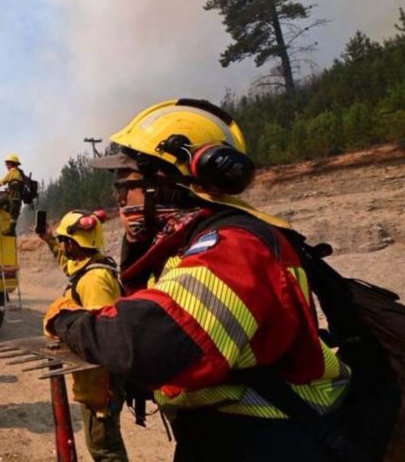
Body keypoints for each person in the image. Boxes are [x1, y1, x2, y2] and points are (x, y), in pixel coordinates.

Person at [44, 99, 350, 460]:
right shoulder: (190, 246)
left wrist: (66, 319)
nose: (119, 197)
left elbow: (150, 341)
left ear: (165, 184)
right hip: (224, 431)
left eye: (126, 185)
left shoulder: (235, 246)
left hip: (271, 437)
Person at [39, 210, 128, 461]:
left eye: (64, 240)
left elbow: (99, 336)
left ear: (73, 243)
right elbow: (69, 266)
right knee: (102, 444)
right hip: (97, 381)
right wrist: (49, 240)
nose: (63, 245)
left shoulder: (94, 280)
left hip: (100, 384)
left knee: (104, 448)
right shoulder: (90, 266)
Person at [0, 153, 25, 236]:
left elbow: (4, 180)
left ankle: (11, 230)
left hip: (14, 195)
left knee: (12, 213)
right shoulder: (19, 172)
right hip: (13, 194)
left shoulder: (13, 171)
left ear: (11, 163)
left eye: (7, 163)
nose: (6, 165)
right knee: (0, 203)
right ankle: (12, 228)